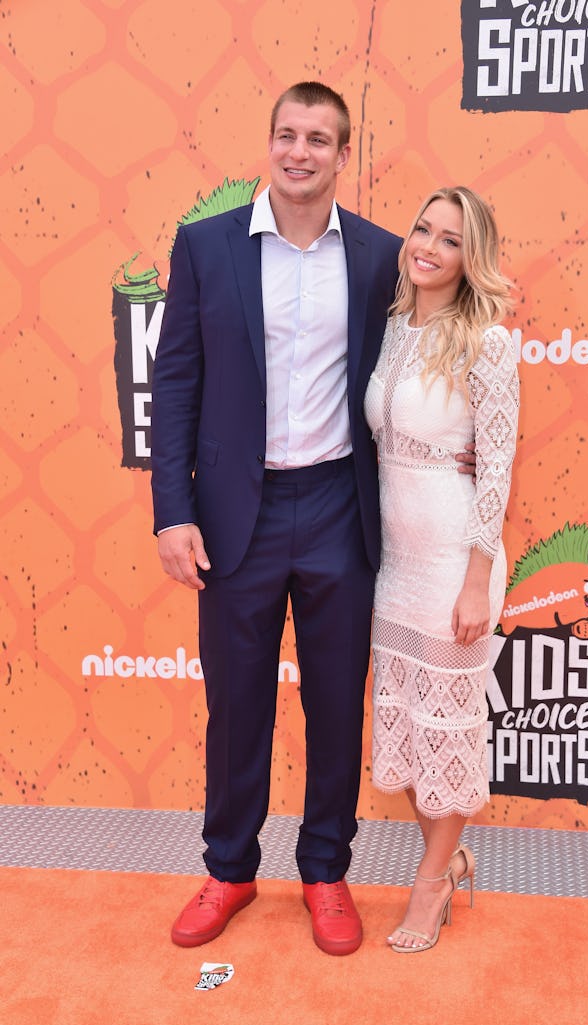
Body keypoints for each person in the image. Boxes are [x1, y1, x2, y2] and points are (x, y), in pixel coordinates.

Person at [151, 82, 475, 956]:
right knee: (237, 704)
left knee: (336, 705)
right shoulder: (205, 248)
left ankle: (325, 872)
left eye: (320, 139)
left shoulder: (376, 256)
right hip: (231, 517)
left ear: (342, 155)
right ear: (270, 144)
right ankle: (228, 868)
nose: (302, 152)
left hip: (339, 507)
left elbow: (444, 326)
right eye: (289, 136)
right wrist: (171, 510)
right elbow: (175, 383)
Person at [364, 186, 519, 952]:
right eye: (422, 228)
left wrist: (473, 581)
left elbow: (495, 471)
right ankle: (450, 858)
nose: (427, 245)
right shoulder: (392, 328)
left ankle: (429, 886)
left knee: (448, 726)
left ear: (472, 256)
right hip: (393, 564)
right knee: (418, 728)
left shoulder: (487, 339)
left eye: (450, 239)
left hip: (454, 564)